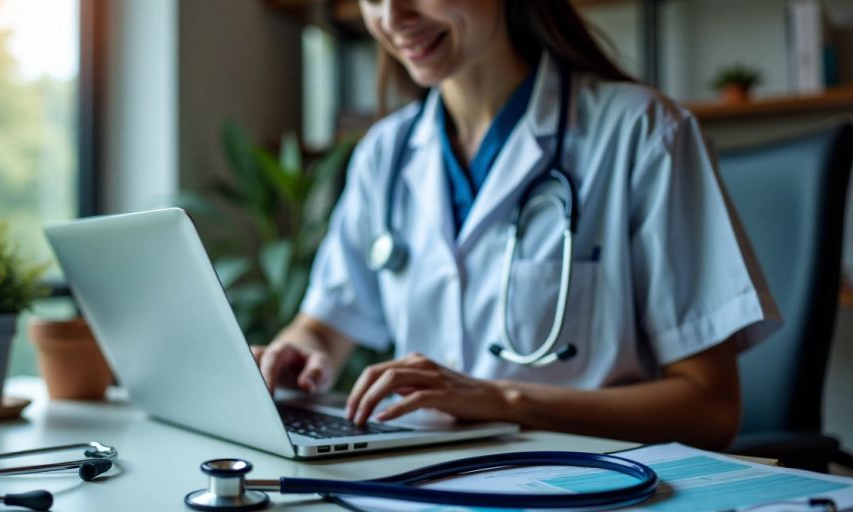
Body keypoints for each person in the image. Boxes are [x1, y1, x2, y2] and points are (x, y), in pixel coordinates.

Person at [252, 0, 780, 450]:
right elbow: (325, 323)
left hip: (587, 486)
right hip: (420, 479)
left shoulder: (643, 134)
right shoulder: (385, 154)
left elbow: (710, 409)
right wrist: (301, 351)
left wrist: (502, 400)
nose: (393, 17)